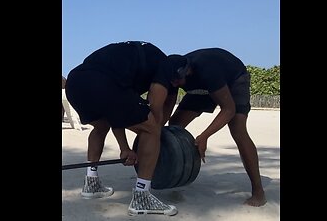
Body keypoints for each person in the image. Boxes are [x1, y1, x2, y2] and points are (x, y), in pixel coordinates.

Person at [65, 41, 182, 216]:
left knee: (100, 126)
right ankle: (142, 197)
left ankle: (91, 183)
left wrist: (125, 148)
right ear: (178, 72)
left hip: (75, 83)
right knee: (151, 129)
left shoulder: (133, 59)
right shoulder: (165, 64)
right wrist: (152, 129)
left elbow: (113, 113)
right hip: (102, 84)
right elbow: (150, 99)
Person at [166, 48, 267, 207]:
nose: (175, 84)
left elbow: (229, 109)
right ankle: (177, 172)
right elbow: (168, 108)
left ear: (188, 71)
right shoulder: (172, 72)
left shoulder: (208, 70)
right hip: (203, 86)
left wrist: (204, 136)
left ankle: (258, 191)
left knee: (238, 130)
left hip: (234, 78)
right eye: (172, 81)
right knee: (174, 125)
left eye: (177, 80)